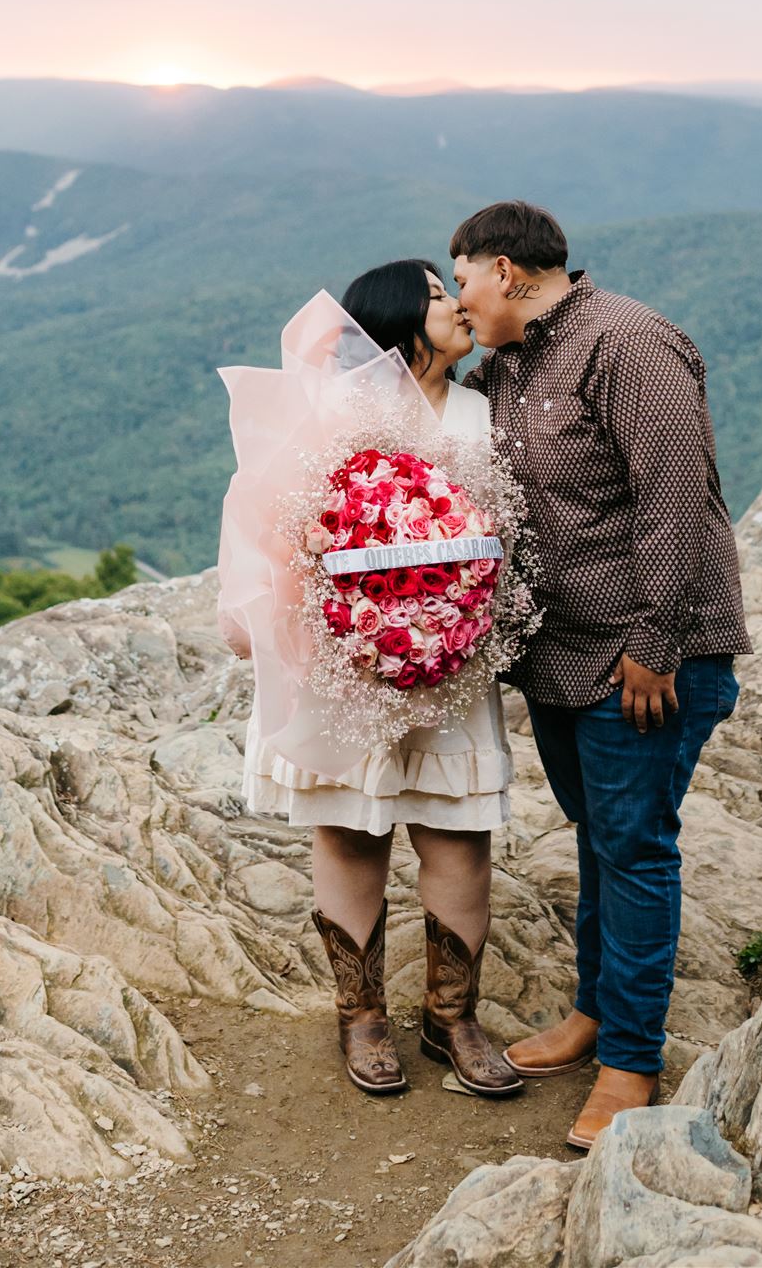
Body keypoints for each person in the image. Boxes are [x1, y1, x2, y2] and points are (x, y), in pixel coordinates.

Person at [450, 201, 750, 1151]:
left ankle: (630, 1058)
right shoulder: (508, 364)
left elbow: (676, 499)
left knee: (634, 846)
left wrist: (656, 642)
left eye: (461, 280)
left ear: (504, 270)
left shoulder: (628, 342)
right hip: (559, 655)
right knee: (597, 840)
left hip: (644, 658)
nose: (460, 301)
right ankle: (591, 1014)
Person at [218, 260, 522, 1102]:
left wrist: (453, 611)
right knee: (352, 828)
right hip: (346, 661)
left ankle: (451, 1016)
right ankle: (361, 1014)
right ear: (395, 318)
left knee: (458, 830)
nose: (457, 304)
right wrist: (340, 604)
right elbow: (270, 519)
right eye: (435, 295)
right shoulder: (336, 412)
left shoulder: (481, 411)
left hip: (450, 659)